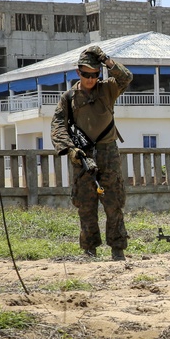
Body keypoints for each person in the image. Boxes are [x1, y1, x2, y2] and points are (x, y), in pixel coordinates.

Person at [51, 45, 133, 260]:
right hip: (82, 155)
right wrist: (71, 150)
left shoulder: (108, 89)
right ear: (78, 72)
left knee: (113, 202)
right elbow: (58, 126)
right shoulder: (68, 97)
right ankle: (90, 250)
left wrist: (106, 59)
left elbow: (126, 78)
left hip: (108, 151)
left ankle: (117, 250)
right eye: (86, 74)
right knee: (86, 205)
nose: (90, 79)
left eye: (95, 74)